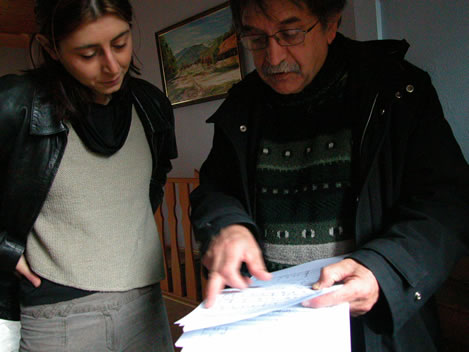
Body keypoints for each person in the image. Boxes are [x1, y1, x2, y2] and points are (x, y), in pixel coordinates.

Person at [189, 0, 469, 350]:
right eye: (256, 39)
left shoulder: (396, 88)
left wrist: (383, 268)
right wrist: (227, 225)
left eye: (290, 33)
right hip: (270, 327)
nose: (273, 59)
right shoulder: (242, 104)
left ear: (331, 22)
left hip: (373, 332)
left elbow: (447, 201)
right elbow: (216, 188)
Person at [0, 0, 177, 351]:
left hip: (146, 303)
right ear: (52, 48)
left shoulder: (151, 104)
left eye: (121, 43)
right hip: (57, 313)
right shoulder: (15, 103)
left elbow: (154, 180)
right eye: (88, 53)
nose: (112, 66)